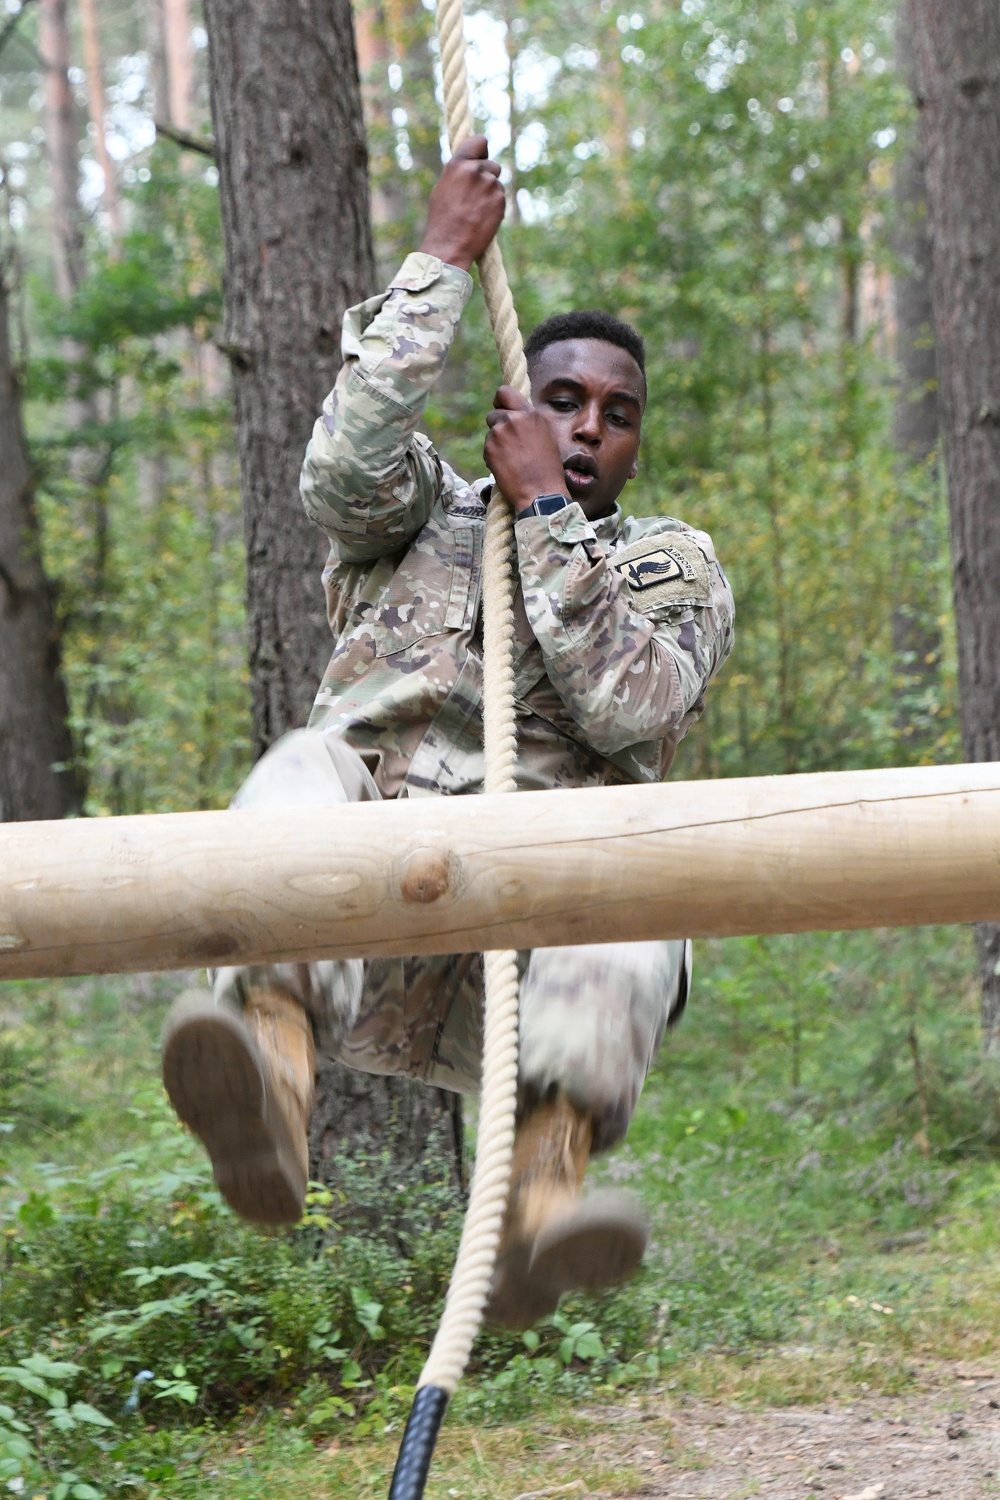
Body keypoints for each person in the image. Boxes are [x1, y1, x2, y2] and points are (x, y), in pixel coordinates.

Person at [161, 137, 735, 1329]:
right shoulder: (418, 509)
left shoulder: (669, 565)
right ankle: (269, 1071)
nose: (586, 430)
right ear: (516, 398)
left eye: (615, 416)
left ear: (637, 441)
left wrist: (541, 512)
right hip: (357, 921)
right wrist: (437, 263)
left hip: (529, 975)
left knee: (643, 859)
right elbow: (336, 474)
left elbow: (633, 705)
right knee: (303, 763)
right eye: (564, 399)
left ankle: (543, 1194)